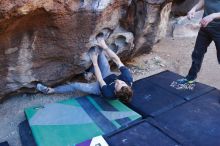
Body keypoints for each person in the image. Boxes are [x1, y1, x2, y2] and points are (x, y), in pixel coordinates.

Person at [36, 33, 133, 103]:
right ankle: (89, 73)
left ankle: (51, 91)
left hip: (99, 87)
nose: (119, 81)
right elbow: (117, 60)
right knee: (99, 51)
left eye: (117, 85)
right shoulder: (128, 78)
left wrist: (94, 62)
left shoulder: (108, 93)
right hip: (108, 75)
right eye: (122, 82)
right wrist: (104, 46)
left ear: (115, 91)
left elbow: (100, 80)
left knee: (76, 86)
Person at [177, 0, 220, 84]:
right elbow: (204, 1)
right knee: (197, 54)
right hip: (205, 27)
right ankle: (190, 78)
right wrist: (194, 9)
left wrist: (213, 15)